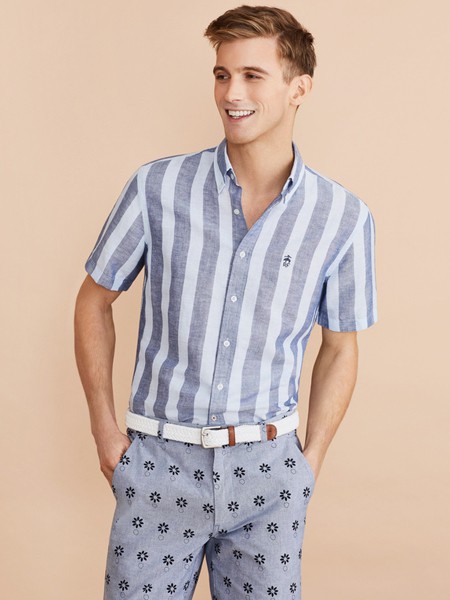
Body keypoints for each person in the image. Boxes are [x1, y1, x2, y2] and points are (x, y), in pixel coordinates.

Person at [74, 5, 377, 599]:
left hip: (269, 473)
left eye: (251, 75)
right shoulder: (156, 188)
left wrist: (308, 463)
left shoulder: (342, 218)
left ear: (299, 88)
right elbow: (92, 301)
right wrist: (105, 431)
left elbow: (341, 347)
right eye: (221, 75)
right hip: (158, 462)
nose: (230, 93)